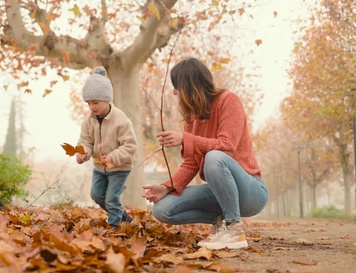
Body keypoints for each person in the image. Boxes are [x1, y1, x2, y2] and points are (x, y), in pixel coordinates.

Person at [142, 57, 268, 250]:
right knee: (162, 210)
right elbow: (191, 163)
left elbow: (226, 146)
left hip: (251, 191)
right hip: (220, 193)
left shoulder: (228, 100)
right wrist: (167, 187)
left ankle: (233, 229)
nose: (174, 92)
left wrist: (186, 139)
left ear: (189, 86)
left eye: (177, 87)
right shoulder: (191, 119)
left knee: (214, 156)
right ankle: (222, 222)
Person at [75, 66, 137, 232]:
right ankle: (123, 216)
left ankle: (114, 227)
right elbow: (85, 141)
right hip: (99, 167)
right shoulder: (89, 120)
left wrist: (114, 157)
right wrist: (83, 153)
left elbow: (130, 146)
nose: (91, 107)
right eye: (88, 103)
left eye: (95, 102)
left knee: (111, 198)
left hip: (119, 167)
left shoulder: (121, 120)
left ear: (107, 99)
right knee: (97, 195)